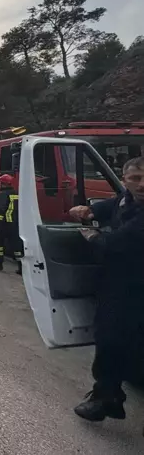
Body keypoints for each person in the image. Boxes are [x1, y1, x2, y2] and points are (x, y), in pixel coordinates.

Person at [70, 156, 144, 422]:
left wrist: (92, 236)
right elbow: (114, 204)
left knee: (116, 340)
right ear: (124, 180)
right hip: (121, 285)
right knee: (115, 340)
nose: (142, 184)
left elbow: (116, 244)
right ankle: (110, 393)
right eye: (135, 178)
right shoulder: (126, 199)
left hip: (134, 286)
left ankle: (107, 396)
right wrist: (90, 211)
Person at [0, 174, 23, 274]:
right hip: (15, 224)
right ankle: (22, 268)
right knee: (17, 246)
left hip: (3, 224)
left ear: (3, 184)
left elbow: (0, 210)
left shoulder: (2, 194)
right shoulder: (16, 193)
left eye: (0, 183)